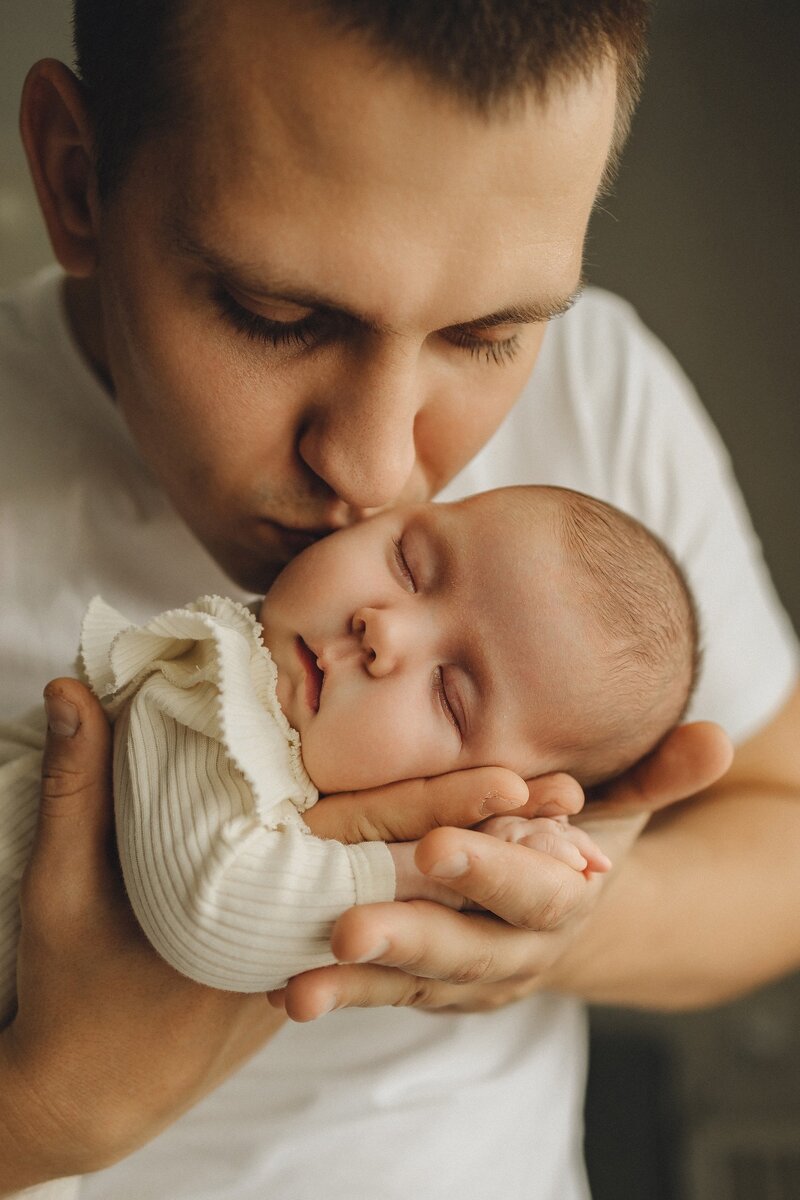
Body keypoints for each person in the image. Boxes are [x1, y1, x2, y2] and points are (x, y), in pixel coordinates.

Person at [0, 2, 797, 1198]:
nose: (374, 471)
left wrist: (554, 925)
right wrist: (48, 1115)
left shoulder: (602, 390)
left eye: (487, 335)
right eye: (279, 317)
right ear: (76, 180)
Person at [2, 484, 697, 1030]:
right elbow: (208, 913)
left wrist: (502, 853)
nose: (383, 628)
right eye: (409, 563)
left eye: (449, 696)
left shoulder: (312, 752)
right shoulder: (212, 686)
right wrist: (436, 883)